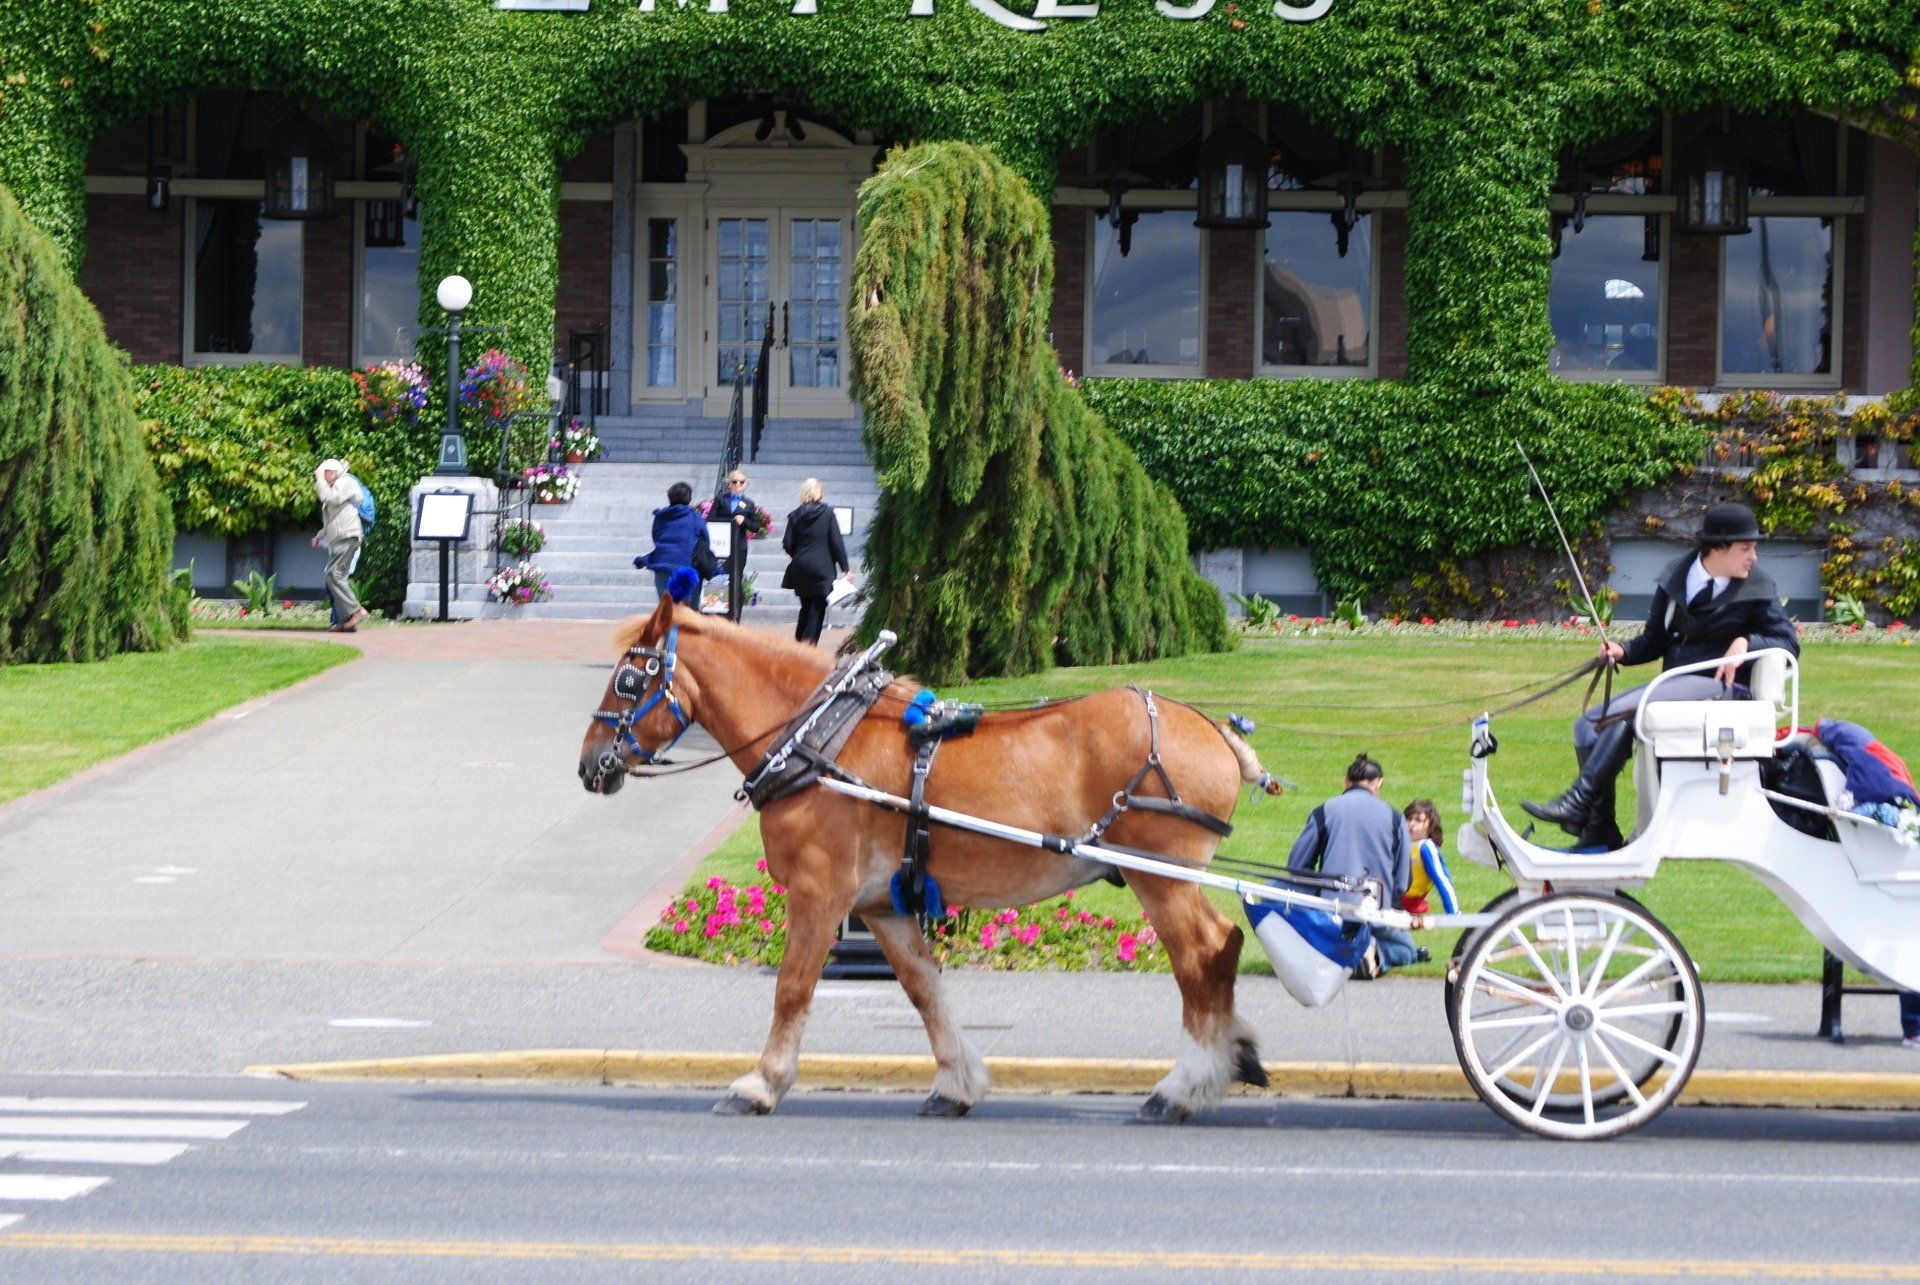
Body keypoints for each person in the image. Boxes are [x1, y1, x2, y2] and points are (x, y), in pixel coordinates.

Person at [1523, 501, 1799, 850]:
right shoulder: (1675, 578)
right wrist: (1623, 651)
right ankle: (1599, 831)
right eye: (1746, 548)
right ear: (1718, 548)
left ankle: (1578, 801)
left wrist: (1747, 641)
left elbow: (1787, 642)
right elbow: (1656, 639)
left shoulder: (1758, 585)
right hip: (1674, 685)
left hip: (1726, 690)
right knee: (1588, 726)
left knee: (1631, 713)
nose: (1754, 557)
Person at [1287, 753, 1412, 980]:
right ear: (1378, 783)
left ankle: (1326, 947)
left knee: (1273, 889)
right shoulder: (1396, 818)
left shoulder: (1324, 811)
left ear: (1346, 781)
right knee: (1408, 950)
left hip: (1331, 910)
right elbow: (1402, 882)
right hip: (1375, 913)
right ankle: (1375, 954)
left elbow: (1297, 867)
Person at [781, 477, 850, 645]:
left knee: (805, 605)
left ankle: (799, 639)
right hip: (822, 567)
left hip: (801, 566)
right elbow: (836, 542)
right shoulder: (827, 514)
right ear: (819, 492)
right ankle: (808, 647)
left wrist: (799, 555)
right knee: (816, 609)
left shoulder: (794, 515)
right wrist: (846, 568)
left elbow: (787, 543)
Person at [633, 481, 714, 602]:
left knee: (668, 613)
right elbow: (705, 541)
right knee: (688, 615)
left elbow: (656, 537)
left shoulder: (660, 517)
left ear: (670, 498)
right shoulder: (695, 517)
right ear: (689, 499)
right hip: (686, 570)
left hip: (662, 568)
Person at [311, 459, 367, 633]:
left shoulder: (345, 482)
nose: (321, 477)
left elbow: (329, 497)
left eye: (324, 473)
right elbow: (332, 520)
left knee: (332, 574)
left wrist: (319, 479)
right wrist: (320, 536)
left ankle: (356, 611)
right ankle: (345, 621)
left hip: (347, 536)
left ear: (332, 471)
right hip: (342, 536)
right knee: (338, 576)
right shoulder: (338, 484)